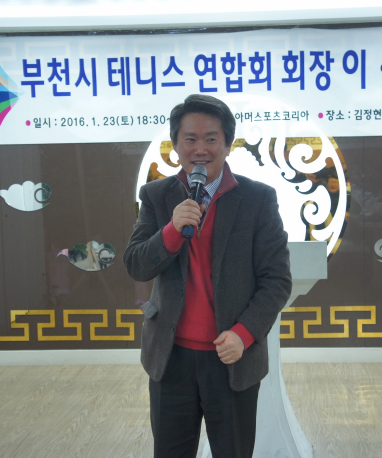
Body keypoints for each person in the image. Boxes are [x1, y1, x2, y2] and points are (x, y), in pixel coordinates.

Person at [123, 94, 292, 458]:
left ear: (228, 145)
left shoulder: (258, 199)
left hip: (231, 358)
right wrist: (171, 230)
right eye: (190, 139)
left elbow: (277, 280)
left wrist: (244, 334)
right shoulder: (156, 196)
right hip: (170, 359)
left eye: (211, 139)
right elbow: (136, 264)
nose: (200, 149)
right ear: (175, 145)